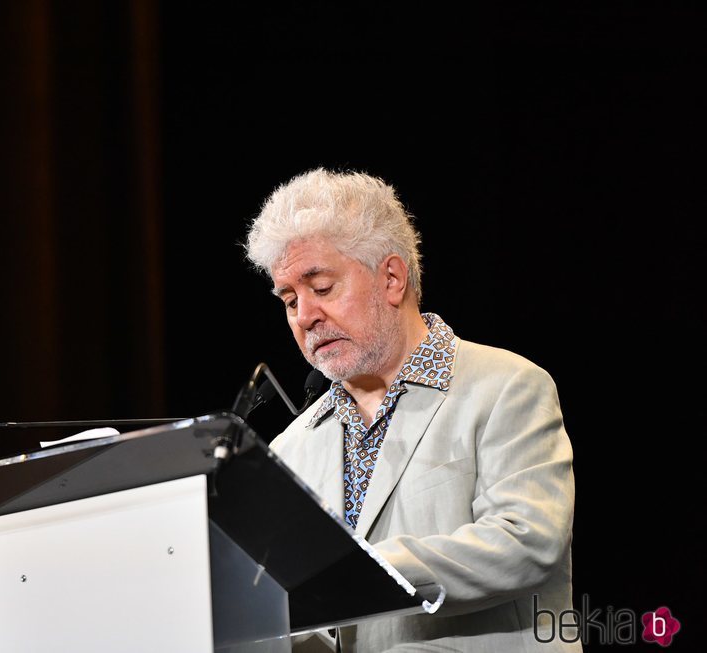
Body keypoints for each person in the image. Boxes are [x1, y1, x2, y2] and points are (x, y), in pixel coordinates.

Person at [244, 168, 579, 652]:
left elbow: (528, 541)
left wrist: (360, 574)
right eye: (290, 299)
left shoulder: (506, 386)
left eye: (321, 288)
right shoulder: (289, 449)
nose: (305, 317)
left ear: (393, 278)